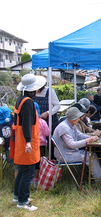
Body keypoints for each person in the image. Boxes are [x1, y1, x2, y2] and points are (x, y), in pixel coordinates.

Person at [11, 74, 46, 211]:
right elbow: (26, 123)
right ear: (31, 90)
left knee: (22, 170)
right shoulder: (28, 102)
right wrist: (28, 142)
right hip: (27, 140)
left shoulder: (20, 99)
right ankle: (23, 202)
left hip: (20, 139)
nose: (37, 91)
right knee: (28, 173)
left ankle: (17, 196)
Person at [53, 107, 101, 181]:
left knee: (92, 154)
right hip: (65, 155)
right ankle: (99, 180)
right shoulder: (64, 128)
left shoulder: (72, 125)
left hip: (70, 152)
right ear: (72, 118)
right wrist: (88, 140)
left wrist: (91, 137)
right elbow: (71, 144)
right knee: (90, 157)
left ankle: (98, 177)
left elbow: (80, 135)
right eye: (78, 117)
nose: (80, 119)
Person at [32, 102, 50, 187]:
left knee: (31, 162)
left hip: (30, 145)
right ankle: (36, 179)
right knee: (38, 163)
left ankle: (30, 179)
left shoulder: (26, 122)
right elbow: (47, 133)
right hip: (41, 145)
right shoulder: (42, 122)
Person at [0, 106, 18, 178]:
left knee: (15, 167)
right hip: (16, 149)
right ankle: (18, 184)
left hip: (8, 150)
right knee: (19, 168)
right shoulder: (14, 123)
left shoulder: (0, 126)